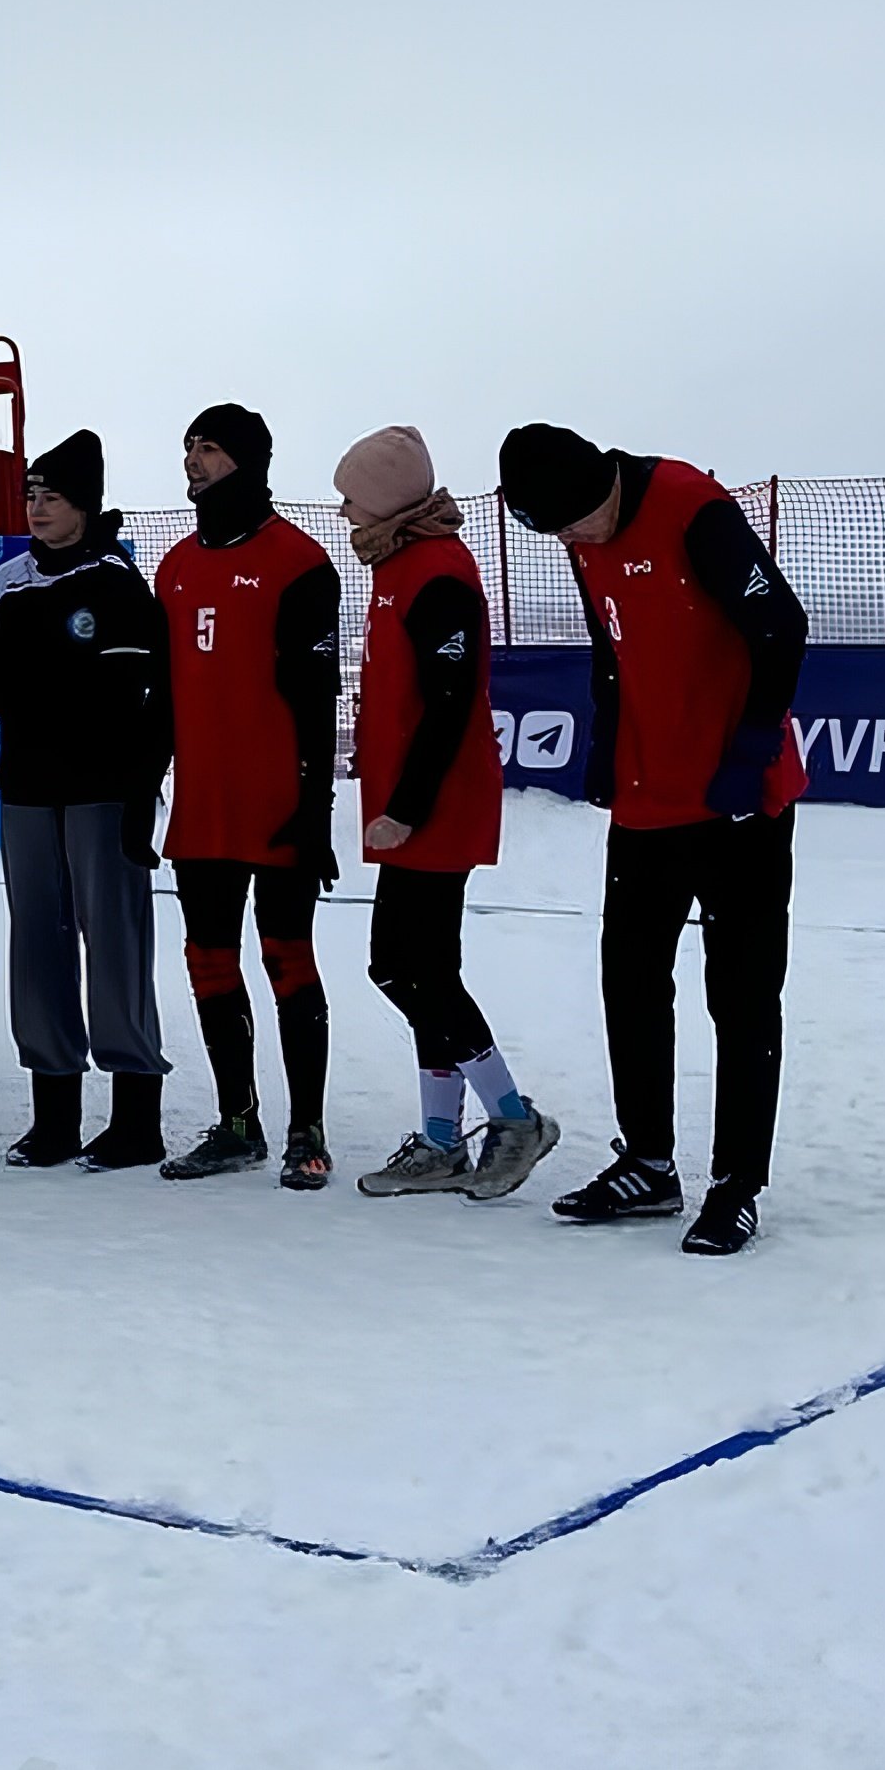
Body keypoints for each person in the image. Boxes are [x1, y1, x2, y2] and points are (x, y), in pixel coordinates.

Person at [498, 424, 808, 1256]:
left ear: (599, 485)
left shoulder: (690, 509)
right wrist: (606, 738)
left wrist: (752, 748)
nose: (568, 543)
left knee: (740, 997)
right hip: (648, 796)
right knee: (630, 983)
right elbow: (611, 641)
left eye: (570, 523)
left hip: (738, 799)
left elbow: (781, 627)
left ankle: (737, 1182)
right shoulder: (578, 534)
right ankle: (648, 1163)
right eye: (549, 531)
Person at [332, 424, 558, 1200]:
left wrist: (406, 806)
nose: (343, 511)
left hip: (435, 809)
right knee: (418, 968)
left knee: (406, 967)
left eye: (352, 496)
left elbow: (451, 702)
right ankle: (439, 1140)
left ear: (390, 500)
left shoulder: (437, 573)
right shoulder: (398, 566)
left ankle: (513, 1115)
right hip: (410, 808)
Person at [153, 404, 341, 1190]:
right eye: (190, 445)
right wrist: (145, 791)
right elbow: (163, 695)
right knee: (208, 962)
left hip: (278, 802)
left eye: (211, 448)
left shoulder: (299, 562)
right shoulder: (174, 566)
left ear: (250, 461)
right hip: (204, 807)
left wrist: (316, 806)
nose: (195, 459)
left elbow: (319, 697)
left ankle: (308, 1130)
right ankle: (238, 1122)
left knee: (287, 958)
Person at [0, 430, 168, 1168]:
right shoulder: (8, 583)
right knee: (37, 947)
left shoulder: (116, 583)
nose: (37, 507)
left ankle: (135, 1118)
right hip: (27, 792)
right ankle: (53, 1114)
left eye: (52, 496)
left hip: (103, 792)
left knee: (115, 947)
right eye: (30, 494)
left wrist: (141, 791)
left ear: (86, 505)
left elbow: (134, 695)